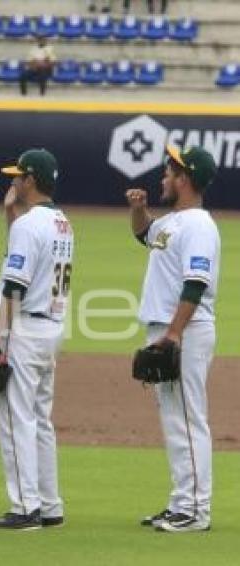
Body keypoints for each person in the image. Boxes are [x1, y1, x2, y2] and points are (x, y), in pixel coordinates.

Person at [127, 145, 219, 533]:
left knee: (186, 418)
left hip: (185, 331)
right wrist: (138, 209)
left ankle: (196, 509)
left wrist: (174, 334)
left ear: (185, 179)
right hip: (167, 330)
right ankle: (181, 501)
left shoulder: (199, 225)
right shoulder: (172, 222)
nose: (163, 177)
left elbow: (195, 283)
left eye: (169, 172)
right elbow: (145, 234)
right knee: (173, 419)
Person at [0, 149, 73, 530]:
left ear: (31, 180)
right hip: (51, 329)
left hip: (26, 329)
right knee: (39, 419)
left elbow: (16, 284)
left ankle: (25, 507)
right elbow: (26, 263)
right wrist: (10, 218)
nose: (13, 182)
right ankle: (49, 505)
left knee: (15, 418)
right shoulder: (62, 222)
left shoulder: (29, 225)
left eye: (18, 176)